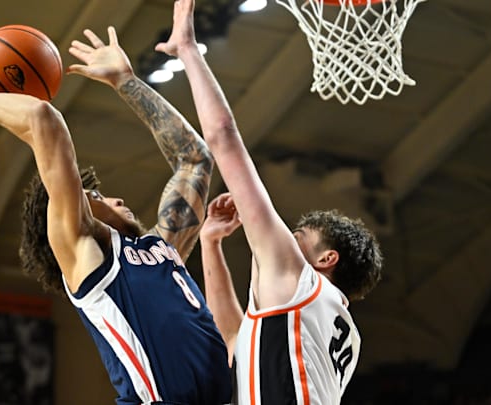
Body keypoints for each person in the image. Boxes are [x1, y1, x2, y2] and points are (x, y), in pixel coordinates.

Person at [0, 26, 232, 405]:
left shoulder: (163, 247)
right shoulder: (87, 254)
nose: (115, 198)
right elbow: (43, 118)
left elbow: (195, 159)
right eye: (94, 195)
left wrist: (126, 81)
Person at [155, 1, 383, 404]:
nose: (281, 239)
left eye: (298, 235)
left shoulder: (300, 281)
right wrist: (210, 244)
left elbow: (223, 137)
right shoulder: (341, 333)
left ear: (326, 258)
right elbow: (236, 341)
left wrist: (188, 48)